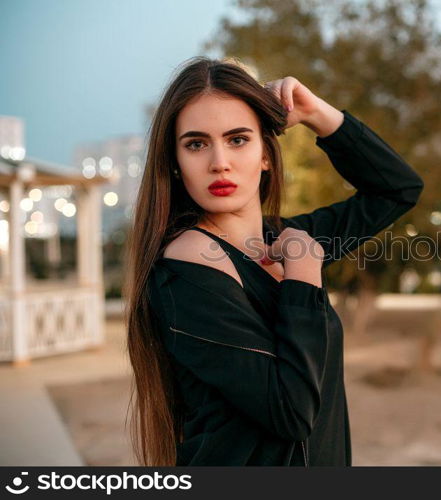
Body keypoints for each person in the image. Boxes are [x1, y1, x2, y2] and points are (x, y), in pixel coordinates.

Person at [124, 56, 424, 466]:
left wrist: (318, 113)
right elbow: (292, 411)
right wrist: (302, 276)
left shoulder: (285, 239)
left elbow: (397, 190)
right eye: (196, 143)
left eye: (238, 139)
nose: (219, 162)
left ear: (267, 153)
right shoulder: (187, 268)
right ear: (175, 164)